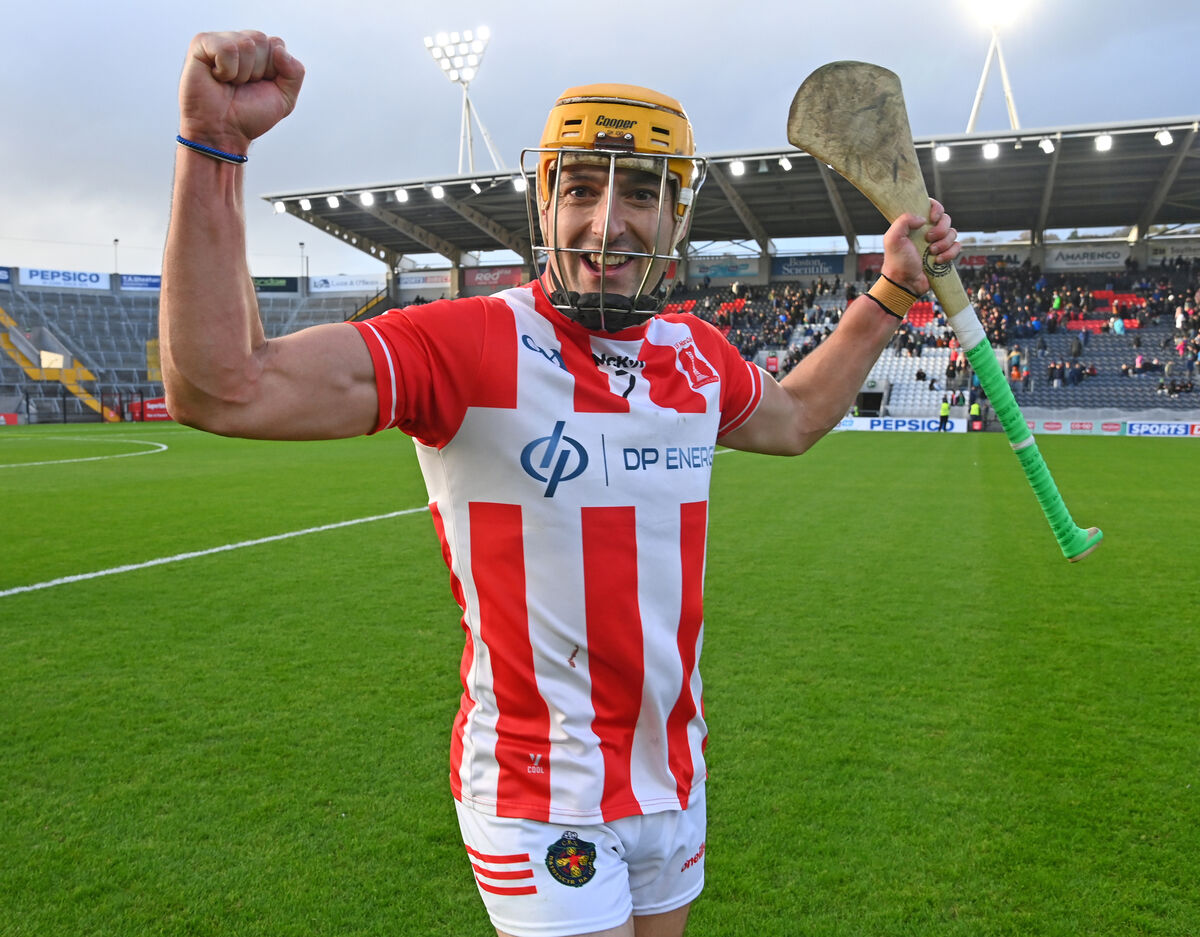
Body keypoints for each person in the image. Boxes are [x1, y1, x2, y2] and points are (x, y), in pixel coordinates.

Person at [159, 31, 960, 937]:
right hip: (536, 792)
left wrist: (893, 289)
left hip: (671, 777)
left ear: (678, 217)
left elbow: (799, 416)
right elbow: (224, 385)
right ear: (544, 203)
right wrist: (213, 148)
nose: (607, 222)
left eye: (642, 193)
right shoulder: (465, 344)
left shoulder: (695, 356)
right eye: (580, 188)